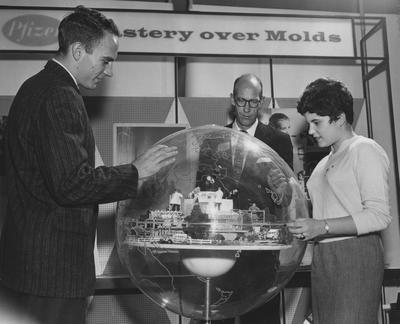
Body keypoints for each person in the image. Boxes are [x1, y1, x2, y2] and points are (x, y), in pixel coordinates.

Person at [0, 6, 177, 324]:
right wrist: (135, 171)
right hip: (53, 274)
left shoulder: (34, 87)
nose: (108, 72)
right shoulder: (60, 96)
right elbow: (70, 184)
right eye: (106, 60)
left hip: (32, 269)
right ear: (78, 50)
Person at [288, 78, 391, 324]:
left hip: (354, 254)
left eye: (317, 122)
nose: (311, 131)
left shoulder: (365, 150)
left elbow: (379, 215)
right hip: (323, 256)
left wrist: (320, 226)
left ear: (340, 118)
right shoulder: (323, 163)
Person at [195, 73, 293, 324]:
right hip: (218, 254)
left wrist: (279, 189)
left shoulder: (279, 141)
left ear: (262, 102)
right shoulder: (213, 139)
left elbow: (285, 198)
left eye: (253, 102)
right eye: (241, 101)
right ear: (232, 99)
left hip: (259, 257)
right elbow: (201, 195)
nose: (247, 108)